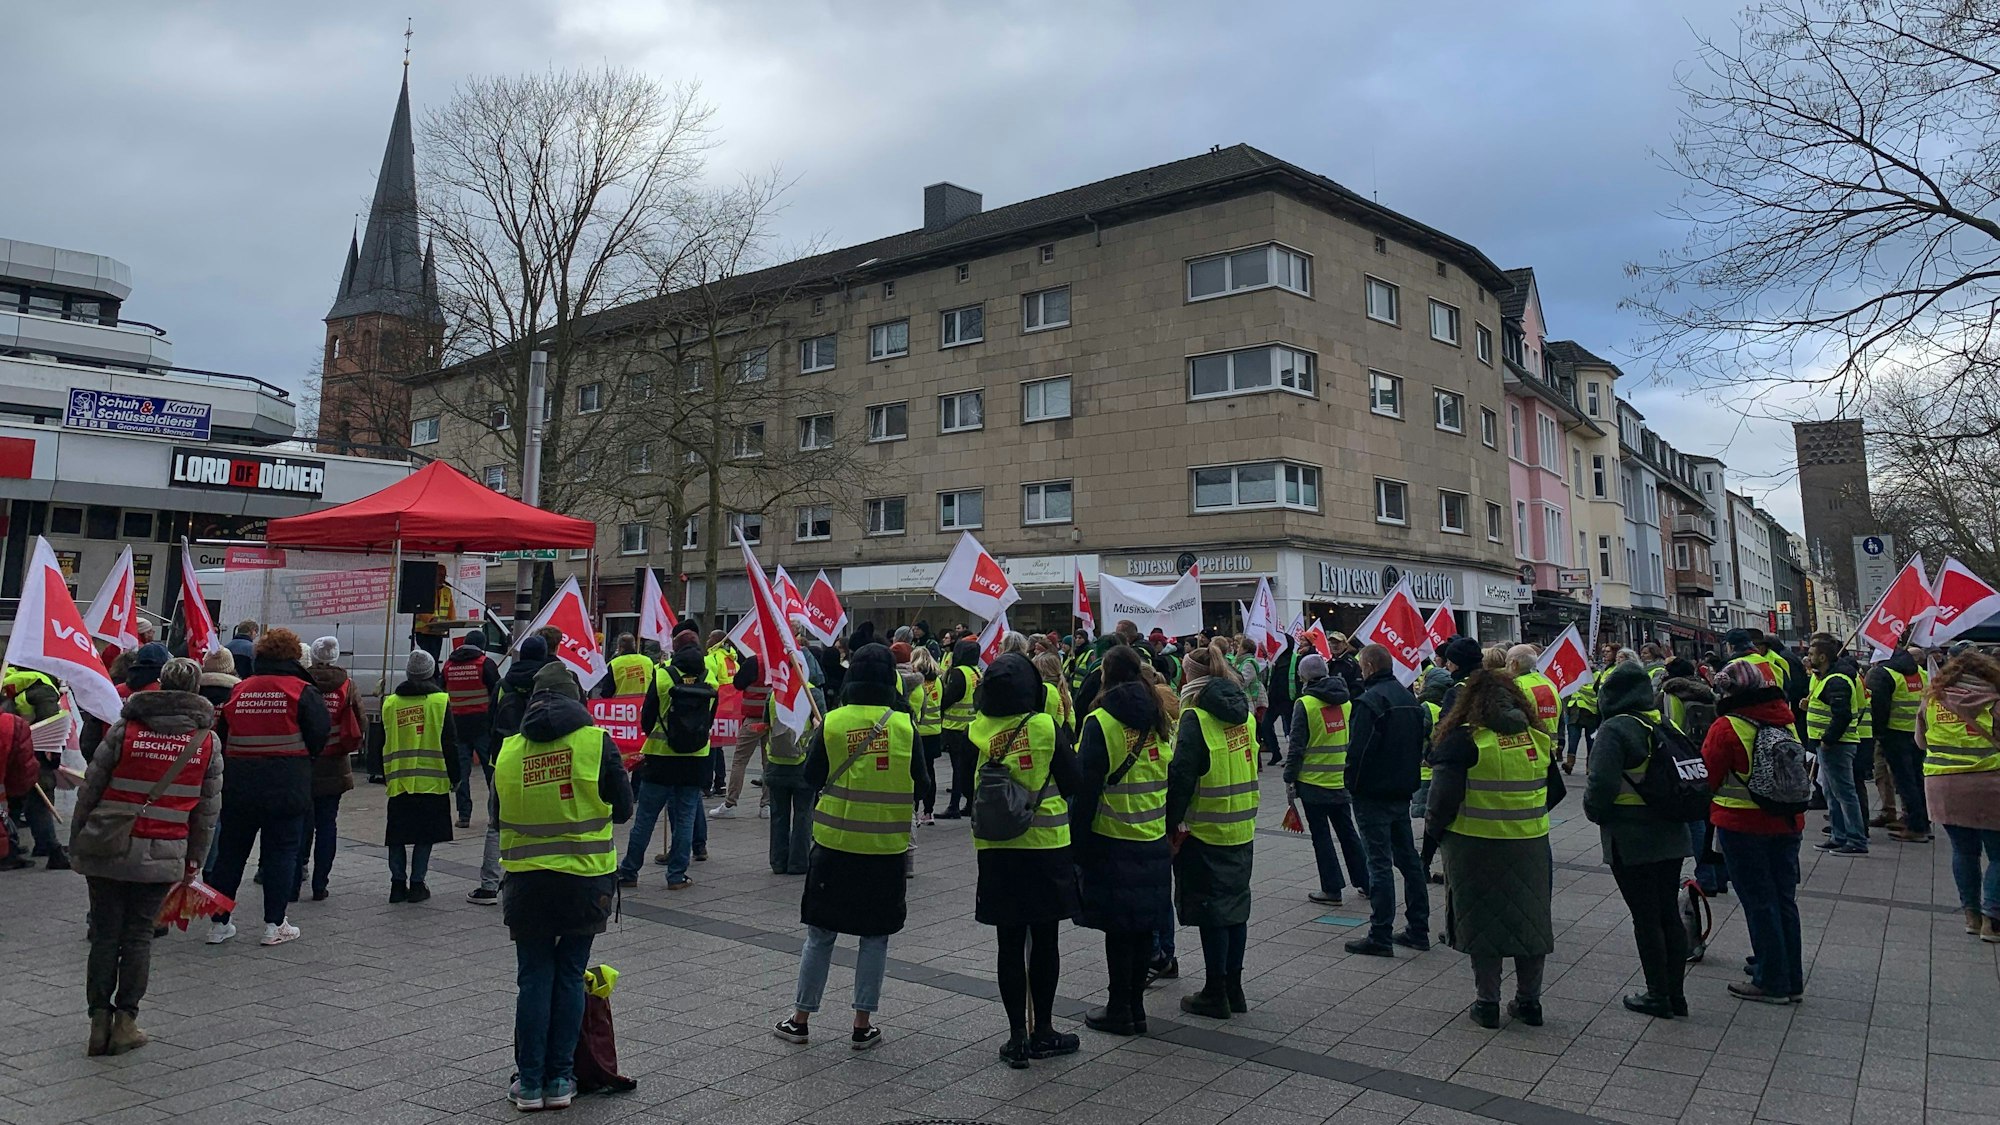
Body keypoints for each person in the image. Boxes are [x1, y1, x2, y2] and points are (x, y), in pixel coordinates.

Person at [493, 661, 634, 1111]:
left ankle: (529, 1083)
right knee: (571, 974)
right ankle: (561, 1079)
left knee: (534, 976)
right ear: (576, 698)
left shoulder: (510, 749)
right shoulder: (596, 742)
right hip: (585, 879)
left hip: (527, 882)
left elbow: (496, 817)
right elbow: (625, 808)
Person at [70, 657, 223, 1055]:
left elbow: (91, 788)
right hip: (164, 850)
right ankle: (126, 1024)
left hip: (106, 842)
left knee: (105, 935)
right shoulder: (205, 741)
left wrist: (78, 840)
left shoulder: (126, 729)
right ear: (195, 691)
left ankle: (97, 1023)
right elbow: (206, 811)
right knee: (138, 937)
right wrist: (195, 861)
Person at [772, 644, 920, 1050]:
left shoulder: (834, 722)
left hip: (834, 847)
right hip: (885, 849)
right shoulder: (906, 726)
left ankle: (800, 1019)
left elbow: (810, 776)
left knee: (820, 935)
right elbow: (925, 784)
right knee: (875, 936)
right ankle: (861, 1024)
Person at [1423, 669, 1563, 1029]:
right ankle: (1529, 1003)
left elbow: (1440, 802)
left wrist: (1429, 844)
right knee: (1530, 924)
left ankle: (1487, 1004)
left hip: (1474, 847)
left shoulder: (1463, 741)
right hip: (1529, 844)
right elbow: (1556, 791)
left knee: (1482, 925)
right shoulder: (1537, 737)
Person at [972, 652, 1080, 1067]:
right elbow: (1074, 780)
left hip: (996, 849)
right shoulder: (1044, 726)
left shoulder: (979, 729)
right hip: (1046, 844)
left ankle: (1016, 1035)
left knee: (1009, 942)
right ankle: (1044, 1030)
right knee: (1045, 940)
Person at [1070, 645, 1175, 1037]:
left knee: (1119, 931)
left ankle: (1120, 1009)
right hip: (1152, 837)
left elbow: (1086, 789)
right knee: (1143, 927)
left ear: (1105, 677)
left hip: (1112, 838)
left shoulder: (1101, 721)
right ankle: (1137, 1008)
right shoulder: (1159, 715)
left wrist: (1075, 847)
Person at [1583, 662, 1693, 1019]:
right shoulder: (1662, 722)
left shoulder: (1615, 729)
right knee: (1668, 914)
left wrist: (1595, 812)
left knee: (1645, 918)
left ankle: (1657, 994)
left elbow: (1601, 785)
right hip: (1671, 832)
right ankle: (1676, 994)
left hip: (1631, 837)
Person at [208, 628, 329, 947]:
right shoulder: (302, 690)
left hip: (239, 785)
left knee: (231, 854)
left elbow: (222, 733)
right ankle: (274, 925)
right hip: (286, 785)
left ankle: (219, 924)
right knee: (281, 853)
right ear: (292, 657)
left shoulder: (240, 689)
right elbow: (319, 735)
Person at [1703, 659, 1805, 1002]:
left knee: (1759, 902)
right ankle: (1789, 976)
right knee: (1783, 900)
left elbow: (1710, 776)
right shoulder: (1785, 721)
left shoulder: (1727, 726)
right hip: (1788, 822)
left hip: (1742, 824)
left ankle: (1771, 980)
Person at [1166, 640, 1258, 1020]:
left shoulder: (1195, 718)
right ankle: (1234, 989)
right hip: (1241, 827)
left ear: (1190, 675)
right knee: (1236, 910)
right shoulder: (1245, 714)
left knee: (1212, 914)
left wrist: (1169, 823)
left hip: (1203, 830)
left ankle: (1215, 992)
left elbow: (1182, 776)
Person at [1342, 644, 1431, 957]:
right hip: (1400, 789)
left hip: (1373, 793)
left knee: (1378, 863)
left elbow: (1359, 751)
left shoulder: (1370, 702)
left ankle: (1380, 934)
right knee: (1408, 860)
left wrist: (1352, 784)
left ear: (1367, 668)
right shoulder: (1409, 698)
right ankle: (1418, 928)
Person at [619, 635, 717, 890]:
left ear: (676, 650)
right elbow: (710, 719)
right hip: (695, 760)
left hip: (660, 759)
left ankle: (629, 871)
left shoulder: (662, 676)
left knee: (645, 818)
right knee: (685, 818)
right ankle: (676, 876)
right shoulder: (710, 678)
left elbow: (647, 718)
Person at [1919, 649, 2000, 940]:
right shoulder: (1994, 701)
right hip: (1990, 785)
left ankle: (1971, 916)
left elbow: (1920, 741)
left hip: (1943, 785)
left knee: (1963, 851)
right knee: (1998, 854)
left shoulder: (1932, 699)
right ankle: (1993, 920)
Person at [1282, 654, 1369, 905]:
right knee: (1348, 833)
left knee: (1321, 836)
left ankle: (1331, 889)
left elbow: (1297, 746)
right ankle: (1367, 882)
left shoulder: (1306, 704)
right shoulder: (1346, 702)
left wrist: (1289, 777)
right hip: (1340, 779)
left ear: (1303, 677)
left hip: (1313, 781)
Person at [381, 651, 461, 903]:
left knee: (397, 835)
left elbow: (383, 740)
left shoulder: (391, 702)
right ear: (431, 673)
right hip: (432, 780)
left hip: (399, 779)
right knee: (425, 835)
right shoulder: (439, 701)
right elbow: (450, 742)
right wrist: (456, 776)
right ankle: (417, 884)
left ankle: (396, 884)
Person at [298, 638, 359, 901]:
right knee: (327, 825)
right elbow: (361, 722)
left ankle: (292, 882)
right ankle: (320, 885)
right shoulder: (347, 685)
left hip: (304, 764)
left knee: (301, 825)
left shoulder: (301, 684)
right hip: (335, 764)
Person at [1660, 660, 1727, 895]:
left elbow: (1673, 727)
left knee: (1695, 822)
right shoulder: (1706, 690)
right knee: (1711, 820)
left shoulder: (1672, 694)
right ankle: (1720, 877)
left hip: (1686, 761)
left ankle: (1706, 878)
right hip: (1709, 755)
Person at [747, 653, 811, 876]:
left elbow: (766, 725)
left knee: (779, 815)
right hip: (803, 764)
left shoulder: (774, 693)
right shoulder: (811, 692)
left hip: (775, 763)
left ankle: (778, 862)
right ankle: (799, 863)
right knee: (803, 815)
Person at [1803, 638, 1867, 856]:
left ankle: (1856, 839)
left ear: (1822, 657)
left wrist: (1828, 739)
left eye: (1811, 654)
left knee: (1844, 792)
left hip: (1837, 745)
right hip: (1830, 744)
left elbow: (1842, 715)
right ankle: (1839, 836)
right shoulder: (1826, 677)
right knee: (1832, 792)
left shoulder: (1837, 679)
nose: (1808, 658)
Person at [1869, 645, 1932, 843]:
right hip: (1917, 733)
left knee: (1905, 782)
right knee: (1917, 778)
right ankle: (1922, 822)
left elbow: (1879, 707)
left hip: (1894, 733)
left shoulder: (1885, 674)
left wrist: (1878, 733)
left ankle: (1915, 827)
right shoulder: (1921, 673)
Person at [443, 632, 500, 831]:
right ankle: (494, 815)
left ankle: (464, 816)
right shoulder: (485, 664)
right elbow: (497, 694)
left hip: (457, 725)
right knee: (491, 772)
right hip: (483, 726)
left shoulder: (448, 666)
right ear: (481, 646)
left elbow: (443, 694)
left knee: (462, 773)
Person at [936, 638, 981, 819]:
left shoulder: (958, 673)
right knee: (969, 768)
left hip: (955, 727)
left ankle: (954, 806)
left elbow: (948, 698)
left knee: (958, 768)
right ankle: (970, 804)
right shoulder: (976, 672)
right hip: (973, 725)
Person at [904, 646, 944, 825]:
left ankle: (914, 808)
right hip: (935, 731)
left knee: (915, 771)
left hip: (919, 731)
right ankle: (929, 812)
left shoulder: (914, 681)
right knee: (930, 771)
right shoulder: (938, 680)